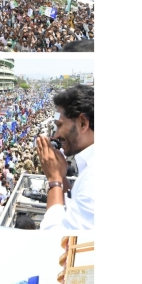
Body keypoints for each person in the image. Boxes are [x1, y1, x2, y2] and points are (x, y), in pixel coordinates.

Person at [35, 85, 94, 230]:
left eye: (59, 125)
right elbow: (76, 209)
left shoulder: (93, 179)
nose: (56, 135)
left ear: (83, 123)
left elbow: (57, 241)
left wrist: (54, 180)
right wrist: (61, 177)